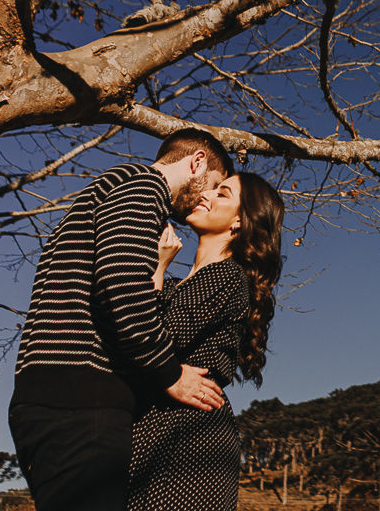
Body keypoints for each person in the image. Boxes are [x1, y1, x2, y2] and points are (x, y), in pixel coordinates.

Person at [9, 129, 233, 511]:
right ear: (196, 162)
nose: (205, 197)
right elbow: (122, 284)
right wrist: (171, 374)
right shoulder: (142, 185)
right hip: (82, 395)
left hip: (57, 392)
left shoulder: (112, 189)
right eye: (211, 185)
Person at [127, 170, 285, 511]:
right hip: (162, 430)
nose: (207, 195)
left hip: (188, 439)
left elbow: (155, 339)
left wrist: (155, 270)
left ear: (240, 223)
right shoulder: (176, 285)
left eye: (222, 194)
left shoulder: (227, 276)